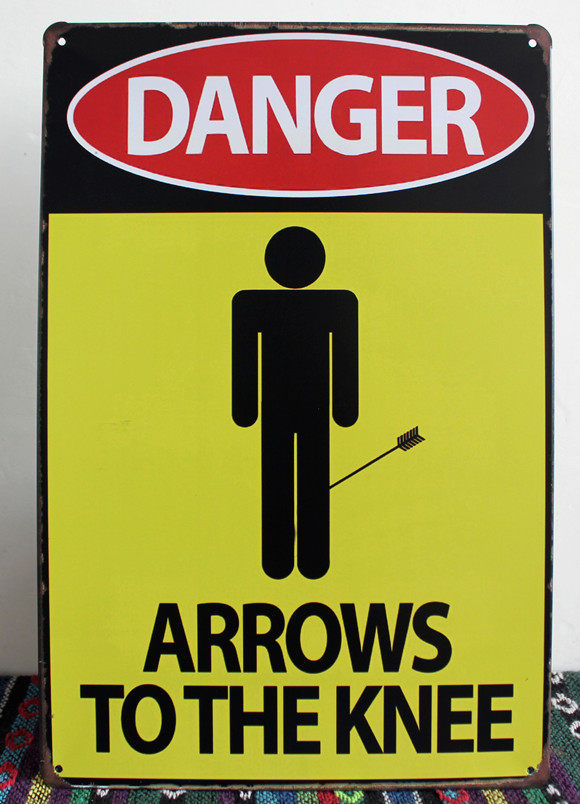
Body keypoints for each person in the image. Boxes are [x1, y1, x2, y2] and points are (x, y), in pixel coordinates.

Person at [232, 226, 358, 579]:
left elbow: (344, 359)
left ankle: (300, 560)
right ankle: (288, 560)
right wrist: (345, 409)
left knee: (297, 480)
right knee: (295, 480)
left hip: (290, 409)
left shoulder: (254, 303)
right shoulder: (335, 303)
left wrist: (245, 408)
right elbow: (244, 358)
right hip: (298, 409)